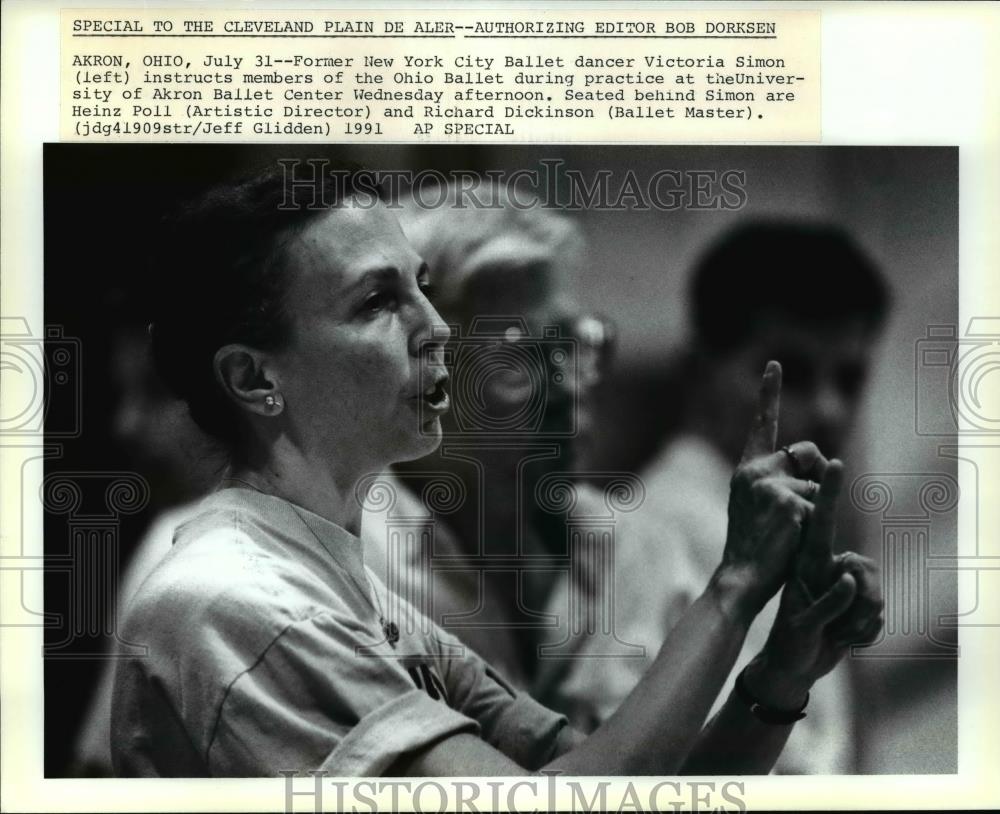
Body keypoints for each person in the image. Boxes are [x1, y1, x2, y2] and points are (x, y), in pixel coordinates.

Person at [111, 164, 882, 777]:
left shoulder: (344, 585)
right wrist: (735, 588)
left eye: (421, 286)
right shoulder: (238, 599)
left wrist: (779, 679)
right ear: (254, 378)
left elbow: (626, 784)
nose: (437, 327)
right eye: (380, 300)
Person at [549, 220, 890, 773]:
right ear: (700, 370)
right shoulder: (642, 531)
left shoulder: (801, 536)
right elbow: (611, 775)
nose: (831, 409)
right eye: (794, 373)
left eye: (849, 379)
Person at [362, 183, 614, 690]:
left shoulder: (614, 537)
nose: (569, 388)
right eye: (519, 352)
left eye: (577, 343)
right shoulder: (345, 565)